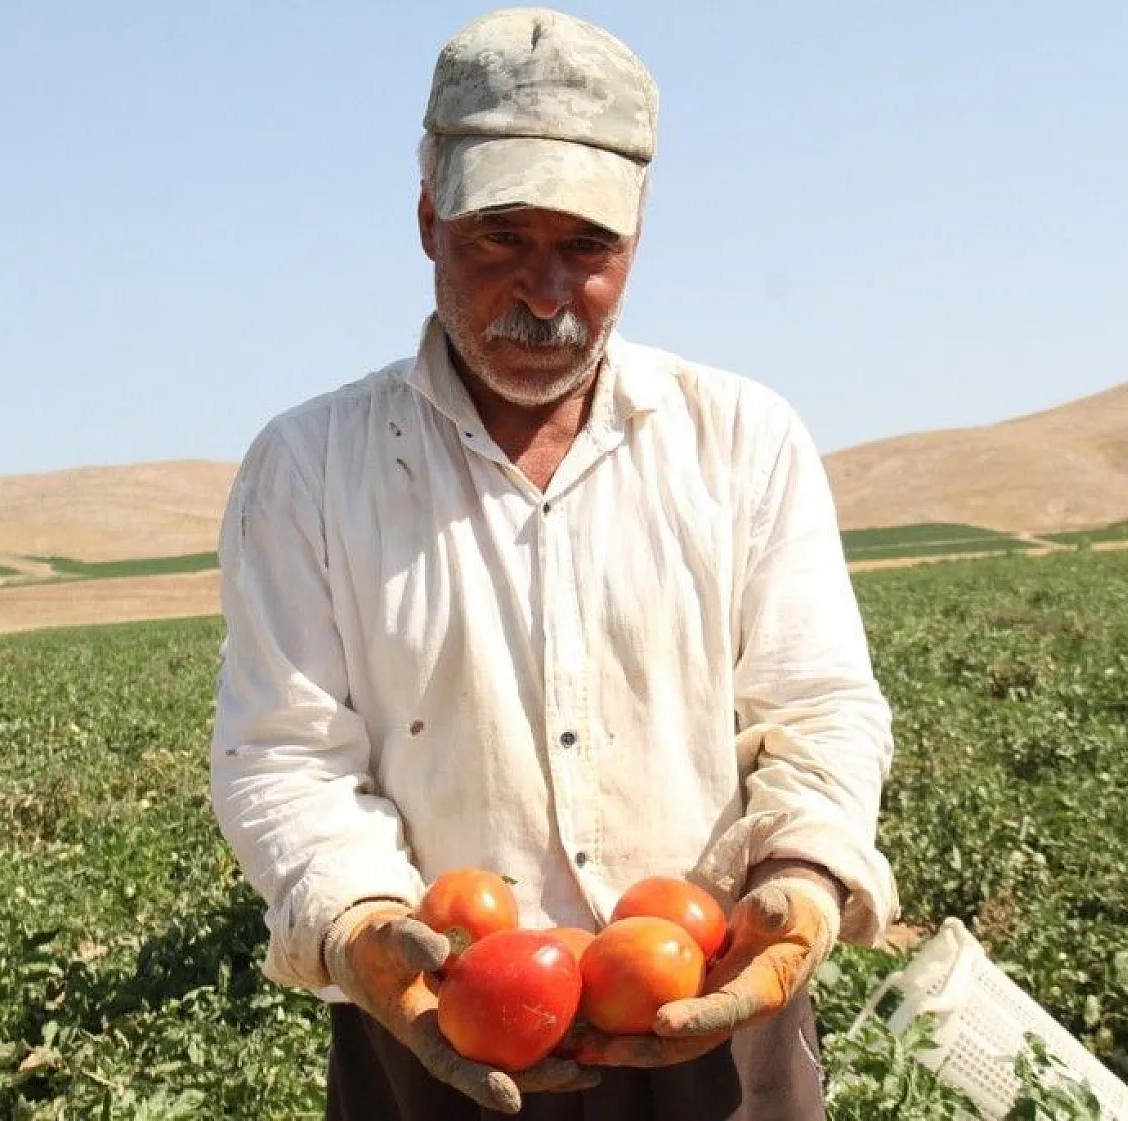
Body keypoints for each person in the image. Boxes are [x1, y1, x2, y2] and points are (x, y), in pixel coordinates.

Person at [209, 7, 900, 1118]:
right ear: (428, 217)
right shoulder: (309, 469)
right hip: (438, 1026)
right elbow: (282, 754)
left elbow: (818, 708)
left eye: (587, 247)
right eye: (500, 238)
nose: (543, 293)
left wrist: (803, 874)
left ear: (639, 237)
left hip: (715, 1010)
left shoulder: (742, 439)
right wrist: (358, 920)